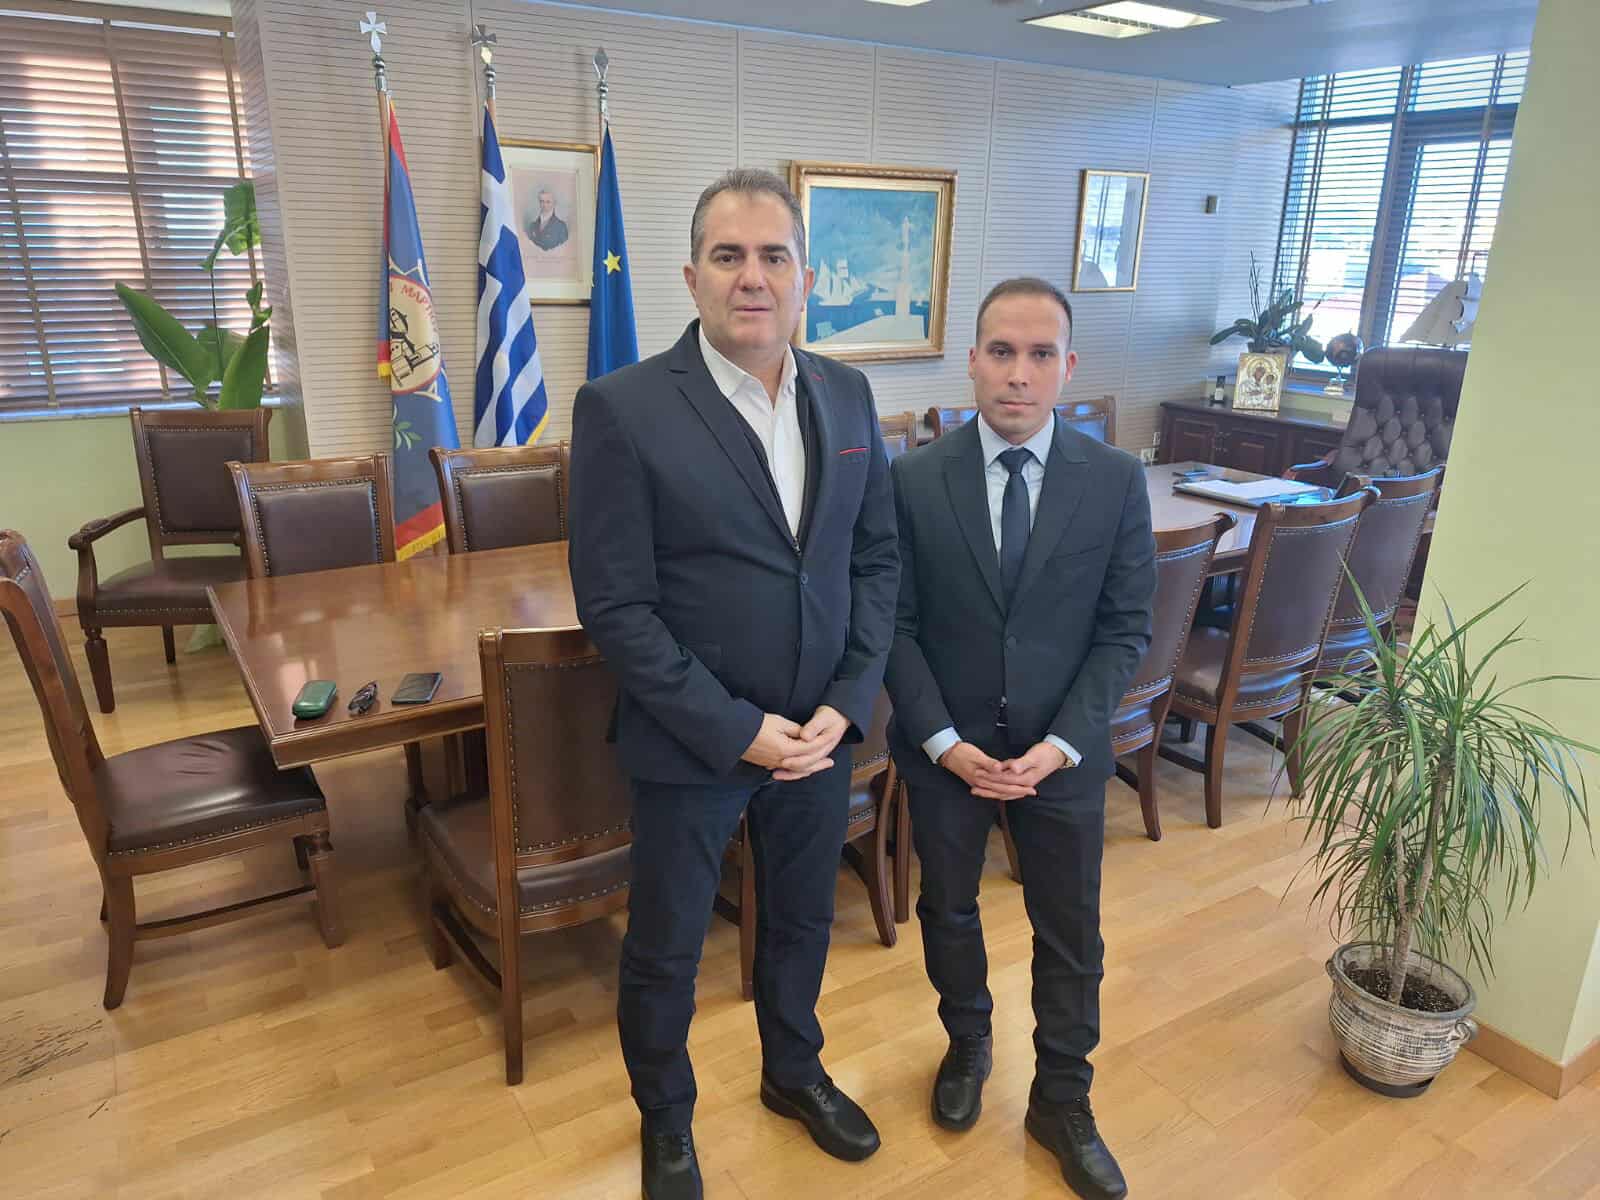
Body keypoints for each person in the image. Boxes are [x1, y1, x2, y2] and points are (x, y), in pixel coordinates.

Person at [568, 168, 899, 1200]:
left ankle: (793, 1073)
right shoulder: (622, 409)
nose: (752, 277)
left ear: (807, 279)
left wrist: (848, 700)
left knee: (801, 921)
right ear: (692, 277)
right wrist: (736, 728)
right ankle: (666, 1119)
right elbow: (615, 607)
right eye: (728, 256)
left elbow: (874, 561)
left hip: (820, 734)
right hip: (694, 742)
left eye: (773, 256)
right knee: (667, 948)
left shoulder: (847, 394)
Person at [884, 277, 1155, 1200]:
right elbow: (894, 626)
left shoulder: (1113, 481)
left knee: (1071, 933)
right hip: (949, 755)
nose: (1019, 373)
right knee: (947, 910)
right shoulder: (913, 480)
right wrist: (940, 739)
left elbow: (1124, 630)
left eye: (1041, 355)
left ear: (1067, 367)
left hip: (1061, 756)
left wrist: (1066, 743)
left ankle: (1062, 1098)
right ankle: (967, 1041)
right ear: (972, 361)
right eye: (1001, 351)